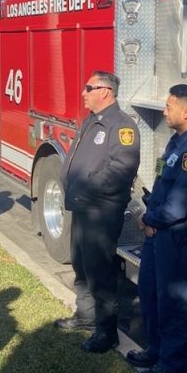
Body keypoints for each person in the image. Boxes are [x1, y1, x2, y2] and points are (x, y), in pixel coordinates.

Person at [130, 84, 187, 373]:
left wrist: (149, 219)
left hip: (176, 236)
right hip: (157, 232)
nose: (164, 111)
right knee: (150, 293)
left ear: (186, 111)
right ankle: (156, 350)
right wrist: (149, 219)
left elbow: (178, 204)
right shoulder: (176, 143)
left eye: (169, 106)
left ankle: (172, 364)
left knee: (171, 302)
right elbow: (162, 185)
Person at [55, 71, 140, 353]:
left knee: (100, 273)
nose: (83, 93)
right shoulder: (93, 120)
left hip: (100, 212)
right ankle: (86, 316)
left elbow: (121, 169)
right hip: (82, 207)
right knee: (80, 264)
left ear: (105, 91)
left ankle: (106, 332)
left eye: (88, 88)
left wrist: (87, 186)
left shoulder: (122, 126)